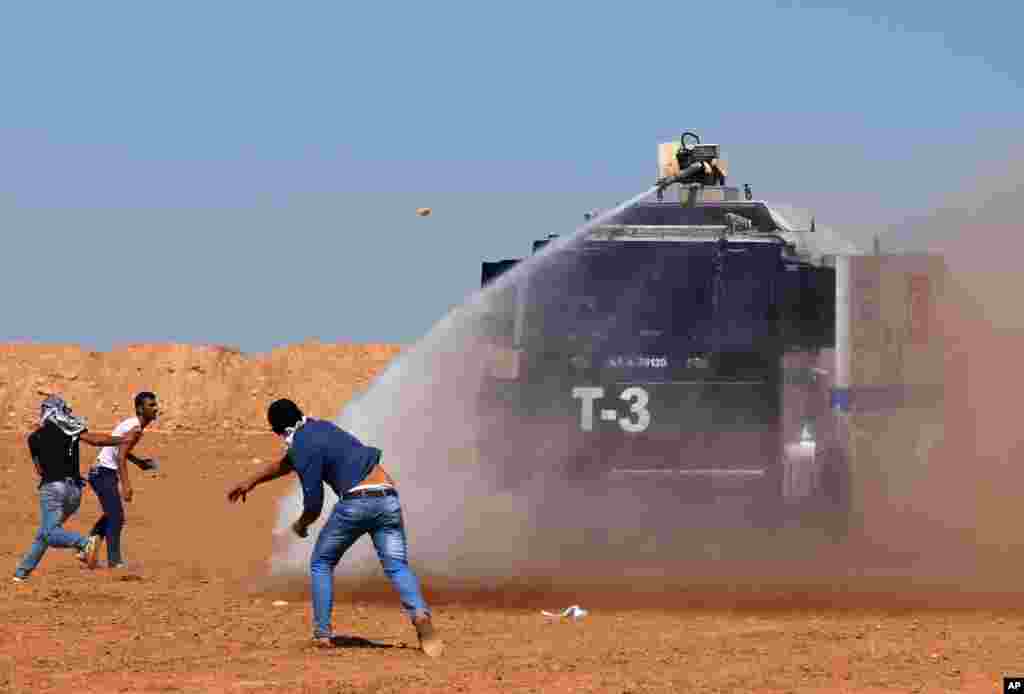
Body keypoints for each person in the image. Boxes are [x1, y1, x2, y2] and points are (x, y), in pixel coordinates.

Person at [226, 399, 443, 657]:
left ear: (278, 431)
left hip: (356, 502)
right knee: (397, 566)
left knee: (321, 562)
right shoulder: (322, 428)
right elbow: (286, 463)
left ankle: (322, 634)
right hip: (388, 496)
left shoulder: (302, 445)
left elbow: (314, 503)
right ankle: (420, 615)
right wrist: (252, 481)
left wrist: (302, 524)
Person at [13, 396, 127, 582]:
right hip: (74, 492)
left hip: (53, 489)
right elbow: (97, 441)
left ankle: (85, 543)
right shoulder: (71, 428)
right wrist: (122, 440)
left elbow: (39, 470)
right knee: (46, 532)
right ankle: (21, 573)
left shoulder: (34, 438)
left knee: (49, 533)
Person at [84, 391, 160, 569]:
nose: (156, 408)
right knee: (116, 517)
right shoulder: (135, 428)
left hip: (102, 472)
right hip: (102, 472)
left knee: (112, 513)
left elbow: (121, 449)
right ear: (140, 409)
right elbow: (120, 457)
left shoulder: (135, 425)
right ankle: (115, 561)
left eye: (155, 404)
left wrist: (139, 463)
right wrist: (126, 485)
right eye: (151, 405)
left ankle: (85, 548)